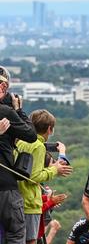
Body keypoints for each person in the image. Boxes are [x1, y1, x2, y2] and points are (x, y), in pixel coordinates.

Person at [16, 109, 73, 244]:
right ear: (50, 129)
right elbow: (33, 177)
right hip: (30, 203)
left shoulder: (20, 142)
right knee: (31, 241)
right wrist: (54, 170)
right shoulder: (38, 146)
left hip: (16, 200)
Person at [0, 65, 38, 243]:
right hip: (5, 186)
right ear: (3, 88)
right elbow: (31, 135)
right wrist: (18, 111)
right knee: (15, 233)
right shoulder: (5, 112)